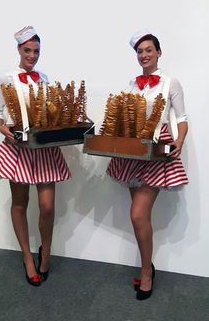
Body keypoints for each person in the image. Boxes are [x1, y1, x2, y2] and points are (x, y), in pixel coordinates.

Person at [0, 26, 71, 286]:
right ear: (19, 50)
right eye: (28, 50)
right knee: (20, 203)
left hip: (42, 147)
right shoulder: (6, 78)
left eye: (36, 51)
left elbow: (50, 111)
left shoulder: (44, 78)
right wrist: (3, 129)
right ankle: (27, 257)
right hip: (17, 148)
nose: (32, 55)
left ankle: (46, 251)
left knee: (47, 206)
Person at [106, 28, 188, 300]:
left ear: (159, 52)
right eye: (140, 51)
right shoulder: (132, 83)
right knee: (140, 217)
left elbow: (182, 117)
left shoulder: (170, 82)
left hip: (156, 151)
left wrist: (181, 140)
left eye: (148, 50)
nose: (144, 55)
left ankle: (146, 272)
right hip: (134, 151)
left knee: (138, 215)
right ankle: (146, 266)